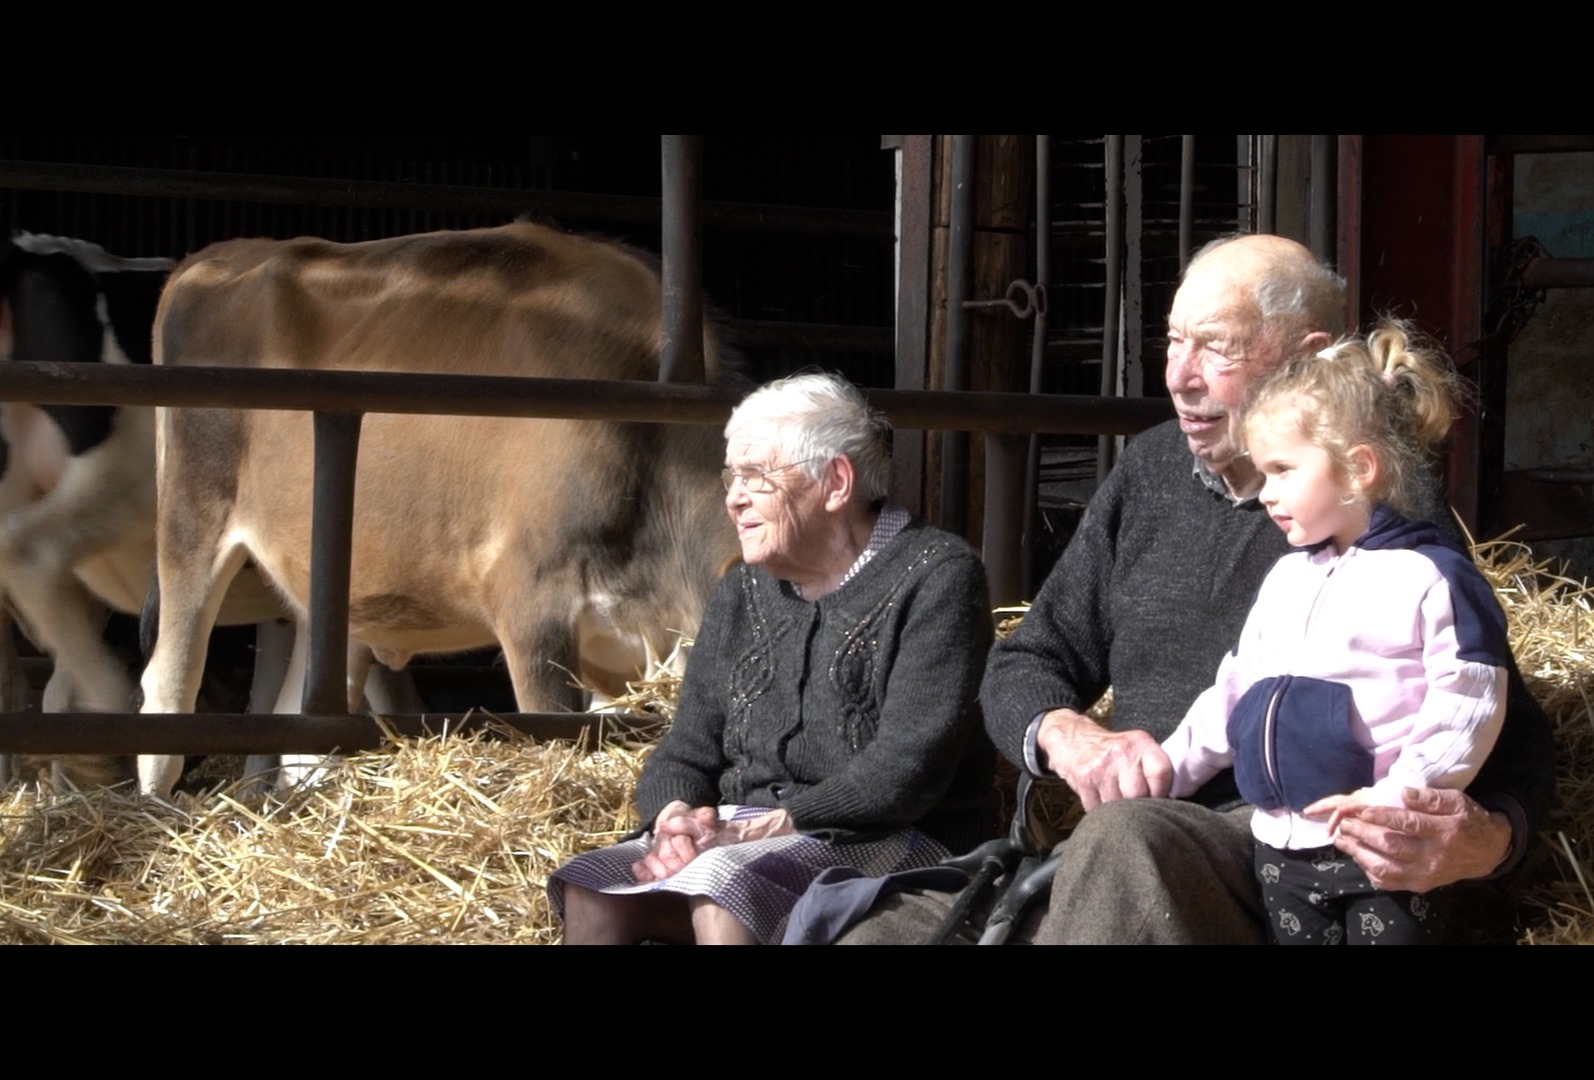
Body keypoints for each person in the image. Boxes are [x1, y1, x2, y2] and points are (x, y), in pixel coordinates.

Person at [839, 232, 1553, 945]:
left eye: (1217, 347)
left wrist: (1487, 838)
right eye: (1175, 341)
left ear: (1303, 358)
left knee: (1126, 838)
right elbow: (1028, 658)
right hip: (1120, 865)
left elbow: (1506, 725)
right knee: (876, 930)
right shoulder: (1149, 471)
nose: (1180, 375)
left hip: (1288, 850)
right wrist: (1070, 736)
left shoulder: (1377, 510)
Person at [551, 372, 995, 944]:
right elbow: (685, 750)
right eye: (731, 476)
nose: (734, 497)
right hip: (744, 837)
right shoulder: (742, 591)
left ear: (835, 483)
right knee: (593, 886)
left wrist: (768, 828)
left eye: (756, 476)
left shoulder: (937, 578)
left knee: (721, 884)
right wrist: (675, 823)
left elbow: (905, 773)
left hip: (891, 835)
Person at [1156, 322, 1509, 944]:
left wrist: (1402, 797)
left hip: (1382, 846)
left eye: (1283, 470)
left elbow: (1468, 699)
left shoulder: (1431, 577)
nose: (1266, 494)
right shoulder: (1287, 577)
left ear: (1358, 468)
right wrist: (1168, 768)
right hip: (1280, 845)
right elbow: (1235, 689)